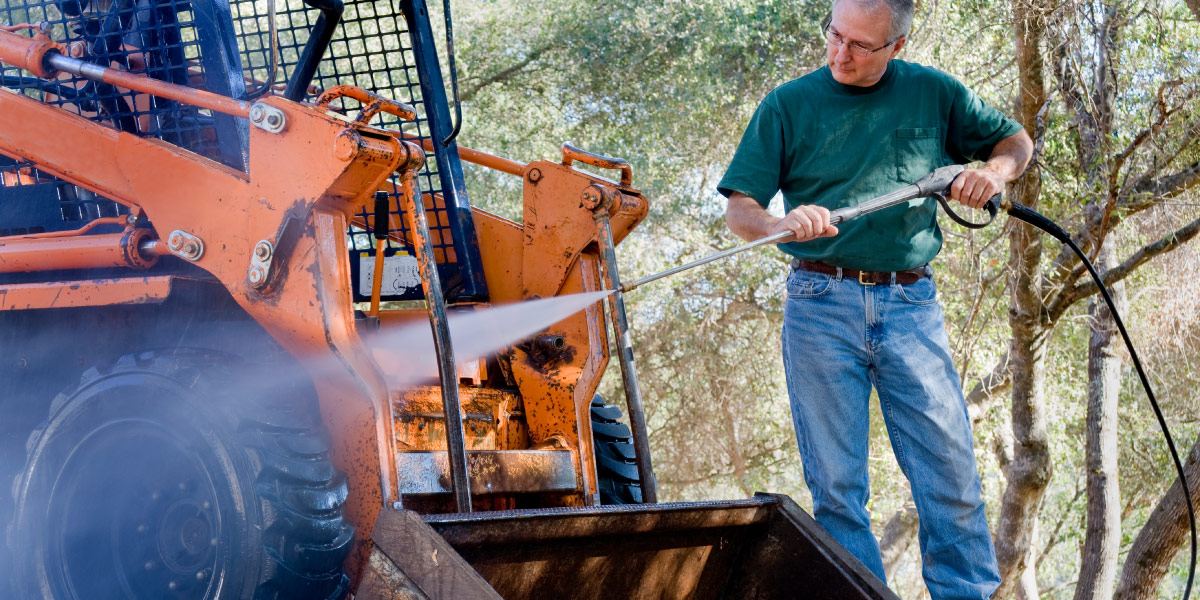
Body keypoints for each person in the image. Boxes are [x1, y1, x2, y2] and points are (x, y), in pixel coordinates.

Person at [717, 0, 1033, 598]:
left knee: (950, 474)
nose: (841, 54)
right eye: (835, 35)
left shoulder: (935, 93)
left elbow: (1015, 142)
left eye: (862, 46)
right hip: (818, 303)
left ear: (898, 47)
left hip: (910, 306)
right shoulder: (787, 104)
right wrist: (781, 224)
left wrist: (992, 173)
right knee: (837, 489)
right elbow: (741, 211)